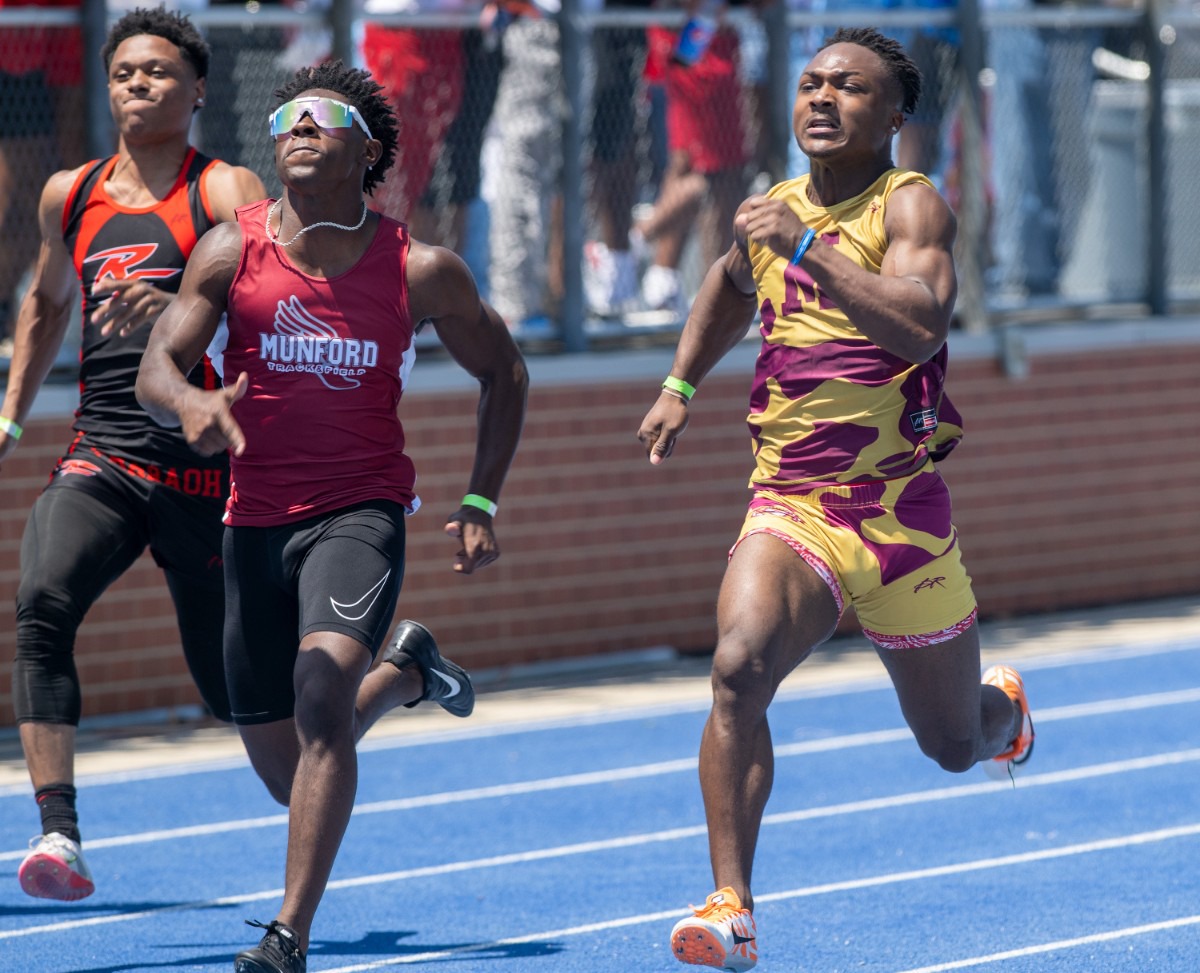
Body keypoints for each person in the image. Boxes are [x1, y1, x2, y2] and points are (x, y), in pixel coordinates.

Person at [636, 28, 1034, 970]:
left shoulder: (910, 205)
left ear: (893, 117)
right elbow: (729, 289)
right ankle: (731, 906)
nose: (821, 98)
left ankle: (1003, 716)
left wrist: (808, 246)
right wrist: (680, 385)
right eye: (811, 83)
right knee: (737, 666)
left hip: (901, 521)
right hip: (793, 504)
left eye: (848, 88)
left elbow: (921, 323)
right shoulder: (768, 213)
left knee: (950, 744)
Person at [134, 59, 528, 973]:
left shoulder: (418, 269)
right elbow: (159, 365)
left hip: (360, 510)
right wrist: (187, 404)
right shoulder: (231, 251)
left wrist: (479, 497)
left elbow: (503, 371)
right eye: (287, 115)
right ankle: (403, 677)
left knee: (319, 701)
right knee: (290, 768)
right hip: (253, 518)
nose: (298, 126)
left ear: (369, 152)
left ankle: (287, 936)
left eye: (323, 116)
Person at [0, 7, 267, 903]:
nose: (136, 86)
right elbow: (43, 306)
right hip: (105, 451)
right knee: (41, 601)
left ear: (196, 91)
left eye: (157, 73)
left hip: (205, 471)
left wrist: (175, 312)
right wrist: (9, 415)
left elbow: (275, 289)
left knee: (239, 700)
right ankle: (59, 833)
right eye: (122, 73)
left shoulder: (224, 190)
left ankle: (400, 672)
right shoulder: (70, 194)